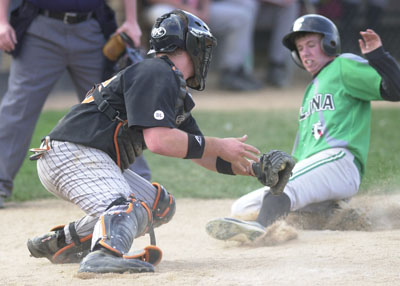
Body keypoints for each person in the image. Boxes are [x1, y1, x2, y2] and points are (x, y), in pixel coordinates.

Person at [26, 9, 261, 274]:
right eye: (203, 47)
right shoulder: (157, 72)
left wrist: (252, 168)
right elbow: (160, 141)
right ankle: (103, 255)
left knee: (158, 205)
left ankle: (61, 243)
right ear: (191, 45)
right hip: (70, 154)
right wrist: (219, 144)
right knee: (129, 206)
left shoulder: (165, 80)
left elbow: (197, 150)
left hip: (80, 156)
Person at [206, 14, 400, 243]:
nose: (305, 52)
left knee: (285, 185)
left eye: (311, 45)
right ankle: (332, 218)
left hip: (339, 161)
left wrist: (379, 57)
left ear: (329, 43)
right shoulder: (311, 92)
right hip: (319, 170)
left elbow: (394, 90)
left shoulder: (342, 65)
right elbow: (302, 159)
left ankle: (262, 227)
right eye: (300, 48)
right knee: (242, 206)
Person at [0, 0, 150, 208]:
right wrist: (2, 21)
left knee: (110, 107)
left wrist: (132, 21)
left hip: (92, 29)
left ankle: (141, 186)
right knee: (18, 108)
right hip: (40, 29)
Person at [142, 0, 262, 91]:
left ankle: (232, 71)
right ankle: (168, 75)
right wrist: (186, 10)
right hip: (167, 8)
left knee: (240, 17)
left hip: (195, 12)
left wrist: (205, 11)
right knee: (165, 16)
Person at [254, 0, 300, 88]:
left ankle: (277, 65)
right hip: (238, 7)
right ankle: (235, 71)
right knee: (245, 9)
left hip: (263, 11)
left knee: (290, 7)